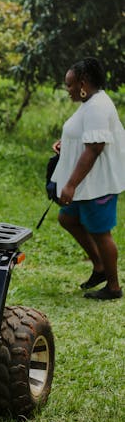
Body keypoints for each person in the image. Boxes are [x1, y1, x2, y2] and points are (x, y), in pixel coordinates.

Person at [50, 57, 125, 300]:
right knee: (67, 219)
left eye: (69, 85)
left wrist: (70, 184)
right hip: (85, 183)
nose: (67, 90)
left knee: (100, 231)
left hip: (97, 183)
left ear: (83, 83)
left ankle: (113, 287)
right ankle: (100, 267)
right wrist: (67, 145)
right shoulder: (89, 103)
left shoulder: (98, 106)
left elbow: (95, 148)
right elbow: (85, 137)